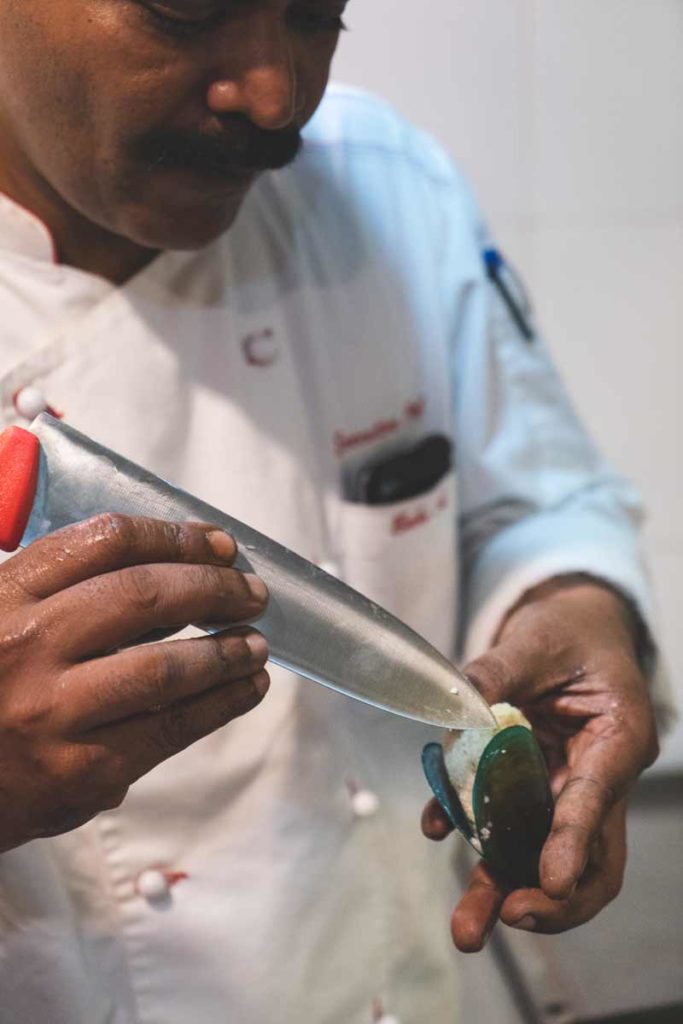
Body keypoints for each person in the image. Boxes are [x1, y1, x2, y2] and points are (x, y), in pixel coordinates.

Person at [0, 3, 670, 1022]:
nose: (274, 94)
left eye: (317, 12)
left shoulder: (382, 182)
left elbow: (536, 500)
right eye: (185, 8)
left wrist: (572, 600)